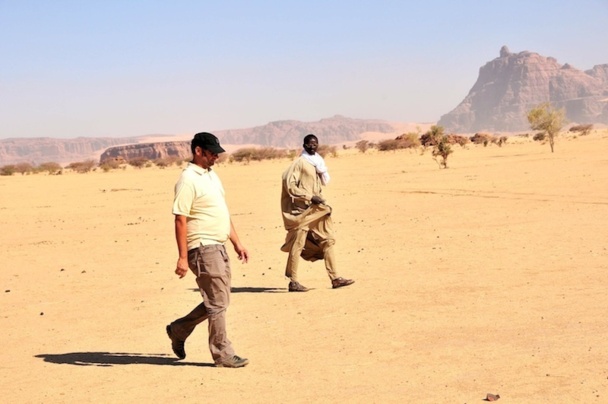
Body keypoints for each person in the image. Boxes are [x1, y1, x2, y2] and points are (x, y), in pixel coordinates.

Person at [166, 132, 250, 368]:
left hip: (218, 245)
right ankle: (222, 354)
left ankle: (179, 329)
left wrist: (236, 242)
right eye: (212, 152)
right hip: (202, 247)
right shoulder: (188, 179)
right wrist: (183, 257)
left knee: (218, 300)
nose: (217, 156)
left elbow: (222, 212)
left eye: (217, 152)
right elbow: (180, 219)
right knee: (218, 303)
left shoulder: (212, 176)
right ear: (198, 151)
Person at [280, 134, 354, 292]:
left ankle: (335, 278)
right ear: (304, 145)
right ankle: (293, 281)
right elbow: (289, 185)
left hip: (316, 210)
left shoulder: (318, 163)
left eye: (315, 144)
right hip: (302, 211)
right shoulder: (299, 163)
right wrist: (308, 197)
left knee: (328, 240)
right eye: (310, 144)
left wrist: (318, 198)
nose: (313, 146)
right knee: (298, 244)